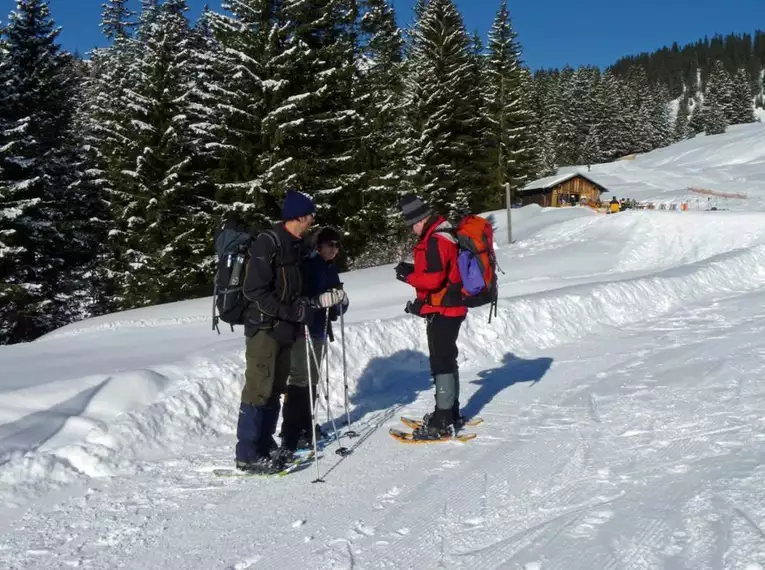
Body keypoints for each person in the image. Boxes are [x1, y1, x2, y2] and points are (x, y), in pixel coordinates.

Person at [234, 189, 318, 473]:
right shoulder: (267, 243)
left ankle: (265, 444)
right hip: (263, 329)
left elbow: (293, 287)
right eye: (311, 213)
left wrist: (302, 304)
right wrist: (289, 311)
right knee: (258, 389)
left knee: (274, 389)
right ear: (299, 216)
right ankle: (247, 453)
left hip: (284, 328)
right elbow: (254, 290)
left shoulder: (296, 245)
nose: (314, 218)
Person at [395, 194, 467, 439]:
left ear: (421, 220)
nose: (413, 230)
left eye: (412, 225)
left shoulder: (437, 239)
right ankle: (451, 412)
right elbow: (441, 270)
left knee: (441, 361)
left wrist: (409, 277)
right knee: (447, 357)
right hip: (449, 306)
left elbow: (434, 279)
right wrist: (413, 269)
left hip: (444, 309)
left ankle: (443, 419)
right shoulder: (445, 234)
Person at [281, 227, 349, 450]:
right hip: (303, 331)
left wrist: (341, 302)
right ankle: (290, 431)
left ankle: (306, 426)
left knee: (312, 380)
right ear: (318, 245)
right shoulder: (308, 265)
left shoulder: (331, 267)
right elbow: (299, 298)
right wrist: (318, 301)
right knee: (299, 379)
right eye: (330, 244)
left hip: (320, 330)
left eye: (337, 245)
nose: (334, 249)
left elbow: (335, 304)